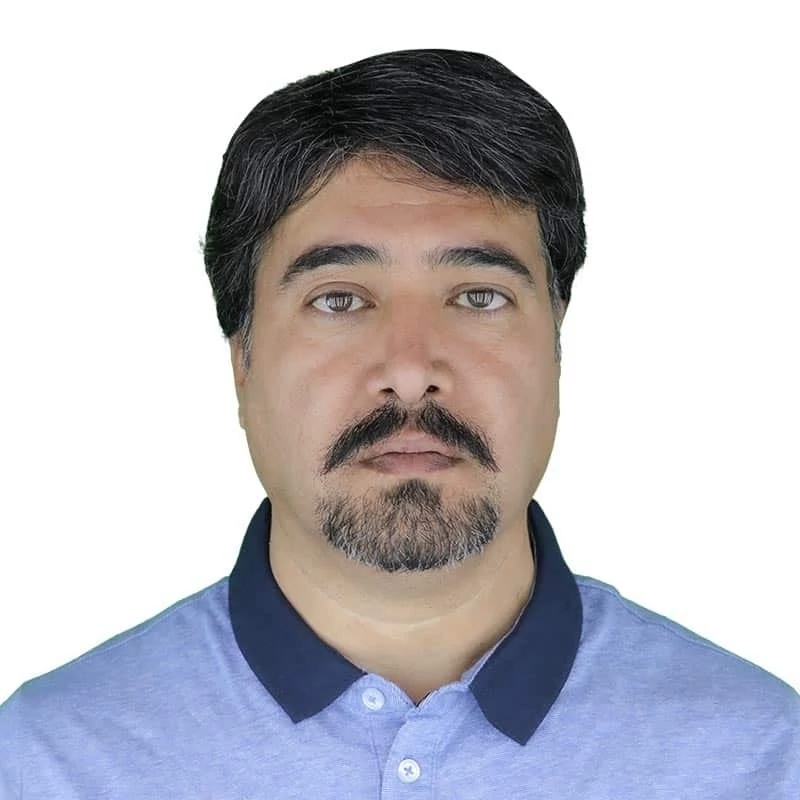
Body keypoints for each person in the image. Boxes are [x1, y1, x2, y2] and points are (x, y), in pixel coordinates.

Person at [0, 48, 797, 798]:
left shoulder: (762, 760)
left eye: (479, 297)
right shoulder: (50, 763)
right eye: (339, 300)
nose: (411, 369)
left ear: (557, 342)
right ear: (242, 356)